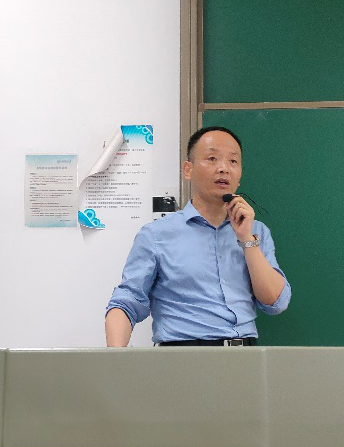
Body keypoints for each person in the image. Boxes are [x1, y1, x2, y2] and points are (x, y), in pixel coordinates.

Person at [105, 125, 290, 346]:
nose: (224, 168)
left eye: (233, 161)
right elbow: (126, 303)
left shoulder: (256, 232)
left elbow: (275, 302)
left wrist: (246, 239)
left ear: (240, 175)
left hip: (244, 354)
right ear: (188, 170)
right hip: (184, 354)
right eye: (212, 158)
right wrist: (115, 360)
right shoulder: (156, 235)